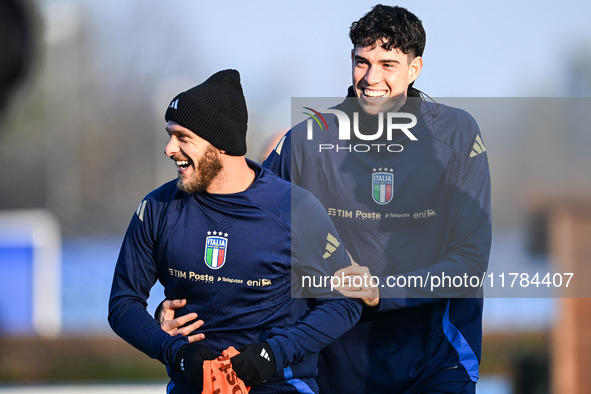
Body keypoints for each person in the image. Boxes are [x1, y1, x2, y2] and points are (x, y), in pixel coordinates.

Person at [160, 5, 491, 393]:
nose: (372, 78)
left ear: (415, 68)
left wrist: (380, 291)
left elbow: (469, 261)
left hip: (436, 360)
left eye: (388, 64)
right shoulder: (305, 142)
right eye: (362, 62)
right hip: (334, 362)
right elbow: (240, 227)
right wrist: (183, 303)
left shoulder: (457, 136)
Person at [108, 69, 363, 394]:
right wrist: (177, 352)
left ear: (221, 144)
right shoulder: (158, 207)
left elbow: (344, 302)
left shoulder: (295, 208)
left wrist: (273, 354)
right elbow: (123, 303)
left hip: (279, 386)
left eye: (183, 137)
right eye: (169, 134)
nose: (169, 148)